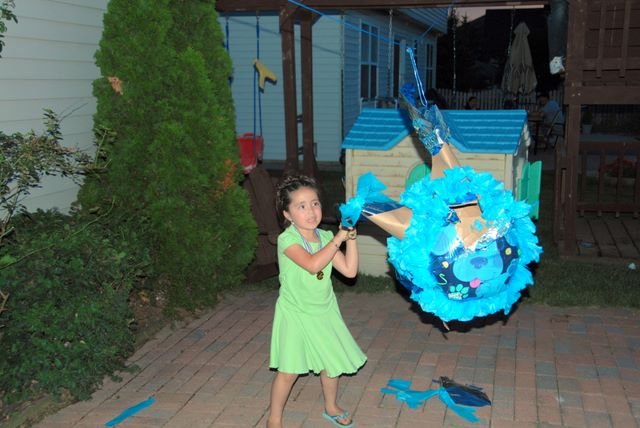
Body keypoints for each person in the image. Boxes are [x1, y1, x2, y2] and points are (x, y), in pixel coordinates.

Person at [268, 175, 366, 428]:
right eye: (301, 206)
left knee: (331, 362)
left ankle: (331, 406)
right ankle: (274, 420)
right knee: (289, 371)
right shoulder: (287, 240)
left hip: (324, 310)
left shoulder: (324, 236)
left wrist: (351, 239)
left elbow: (350, 271)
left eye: (315, 203)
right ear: (287, 214)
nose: (311, 211)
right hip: (296, 312)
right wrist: (338, 239)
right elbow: (313, 265)